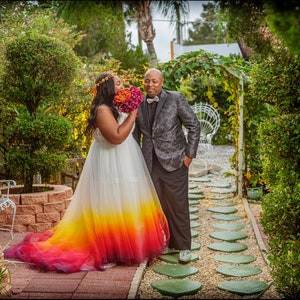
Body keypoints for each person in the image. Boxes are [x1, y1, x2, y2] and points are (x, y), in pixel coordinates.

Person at [5, 73, 170, 273]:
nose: (122, 85)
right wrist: (134, 113)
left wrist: (128, 109)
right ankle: (108, 249)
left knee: (124, 202)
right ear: (108, 87)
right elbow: (116, 137)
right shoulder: (102, 110)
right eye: (118, 83)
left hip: (124, 159)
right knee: (108, 204)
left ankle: (122, 246)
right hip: (110, 160)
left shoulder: (114, 107)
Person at [133, 68, 200, 263]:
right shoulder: (137, 104)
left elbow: (194, 125)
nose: (150, 85)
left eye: (154, 81)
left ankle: (184, 247)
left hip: (175, 160)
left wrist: (189, 155)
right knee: (158, 206)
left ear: (161, 82)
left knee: (178, 206)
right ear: (143, 82)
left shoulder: (176, 99)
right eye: (147, 81)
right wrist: (135, 159)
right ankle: (168, 243)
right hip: (150, 163)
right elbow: (136, 134)